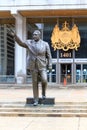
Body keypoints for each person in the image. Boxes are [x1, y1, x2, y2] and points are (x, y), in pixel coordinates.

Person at [12, 30, 52, 106]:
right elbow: (20, 43)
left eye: (35, 35)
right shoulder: (29, 43)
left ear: (39, 36)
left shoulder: (45, 44)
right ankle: (36, 100)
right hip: (33, 66)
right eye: (33, 35)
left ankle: (43, 93)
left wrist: (49, 65)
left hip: (42, 65)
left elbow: (49, 56)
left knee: (44, 80)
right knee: (35, 83)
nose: (34, 36)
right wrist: (15, 36)